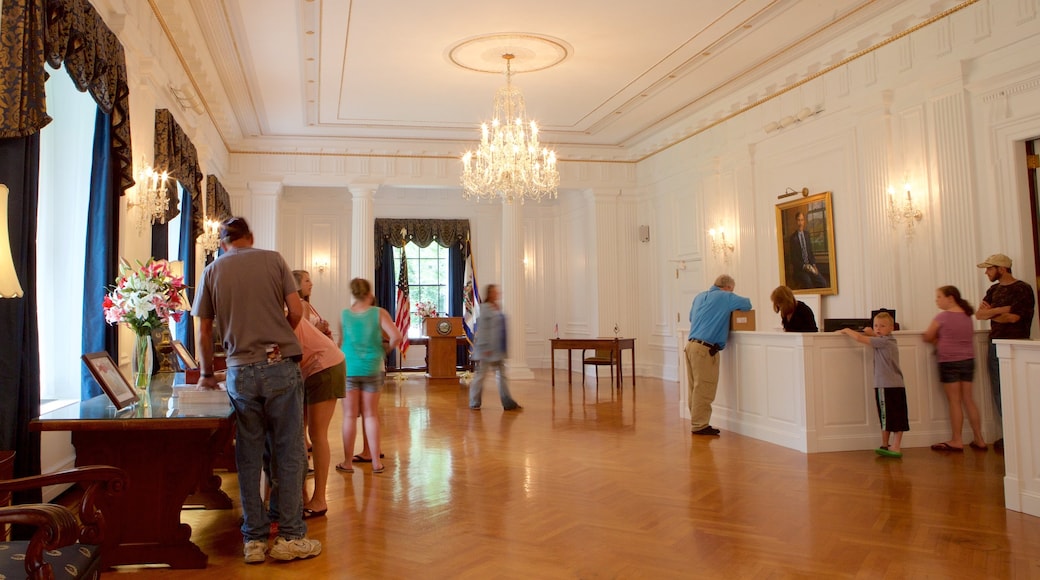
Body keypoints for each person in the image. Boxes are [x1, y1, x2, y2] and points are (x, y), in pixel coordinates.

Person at [192, 217, 321, 564]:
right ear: (251, 237)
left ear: (222, 243)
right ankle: (291, 536)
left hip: (239, 371)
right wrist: (281, 332)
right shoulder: (274, 259)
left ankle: (254, 538)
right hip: (280, 365)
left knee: (248, 455)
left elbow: (203, 330)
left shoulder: (212, 271)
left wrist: (206, 373)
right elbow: (297, 311)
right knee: (290, 450)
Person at [291, 271, 346, 517]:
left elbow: (291, 350)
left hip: (325, 366)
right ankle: (297, 492)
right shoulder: (287, 308)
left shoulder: (291, 309)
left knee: (317, 433)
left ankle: (319, 499)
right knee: (299, 431)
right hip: (311, 368)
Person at [337, 278, 401, 475]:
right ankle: (375, 463)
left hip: (349, 369)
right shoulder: (378, 313)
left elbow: (340, 343)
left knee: (349, 416)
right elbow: (396, 336)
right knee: (371, 415)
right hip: (372, 367)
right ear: (369, 294)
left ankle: (348, 462)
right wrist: (385, 350)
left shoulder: (344, 315)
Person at [975, 253, 1034, 448]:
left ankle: (1023, 434)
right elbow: (980, 314)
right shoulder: (993, 290)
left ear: (1001, 269)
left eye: (990, 268)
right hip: (995, 343)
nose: (986, 272)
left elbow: (1014, 318)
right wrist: (1001, 310)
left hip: (1018, 344)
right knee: (999, 390)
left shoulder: (1022, 289)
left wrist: (993, 313)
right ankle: (1009, 433)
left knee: (1019, 390)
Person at [685, 274, 752, 436]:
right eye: (732, 289)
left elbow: (690, 317)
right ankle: (700, 425)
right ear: (728, 287)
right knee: (704, 387)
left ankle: (696, 421)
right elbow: (747, 304)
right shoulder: (726, 296)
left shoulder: (699, 296)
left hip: (690, 346)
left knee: (694, 387)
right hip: (705, 349)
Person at [923, 285, 985, 452]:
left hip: (949, 362)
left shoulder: (942, 317)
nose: (937, 300)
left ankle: (957, 440)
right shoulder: (967, 315)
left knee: (954, 401)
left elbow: (928, 336)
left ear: (950, 298)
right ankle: (979, 438)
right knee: (968, 399)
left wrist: (937, 341)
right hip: (968, 360)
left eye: (939, 297)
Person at [839, 311, 909, 458]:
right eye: (876, 325)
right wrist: (873, 334)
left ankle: (885, 444)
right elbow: (876, 338)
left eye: (882, 326)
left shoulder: (882, 342)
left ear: (891, 328)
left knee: (885, 416)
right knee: (898, 416)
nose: (878, 328)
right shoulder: (890, 341)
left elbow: (859, 338)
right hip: (898, 385)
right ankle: (895, 445)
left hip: (885, 385)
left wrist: (846, 330)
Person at [469, 284, 522, 411]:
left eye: (497, 292)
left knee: (502, 376)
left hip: (498, 349)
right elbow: (483, 330)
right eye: (494, 292)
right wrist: (486, 347)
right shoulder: (484, 308)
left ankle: (508, 402)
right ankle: (474, 402)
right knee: (481, 376)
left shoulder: (497, 308)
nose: (497, 294)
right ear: (489, 293)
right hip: (486, 349)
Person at [785, 211, 828, 289]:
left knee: (823, 282)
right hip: (800, 270)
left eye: (802, 220)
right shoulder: (792, 238)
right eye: (798, 220)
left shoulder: (807, 234)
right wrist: (804, 266)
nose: (800, 223)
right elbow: (793, 259)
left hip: (811, 267)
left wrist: (814, 265)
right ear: (796, 221)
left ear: (804, 221)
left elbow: (810, 252)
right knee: (808, 283)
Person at [293, 269, 333, 339]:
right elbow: (303, 335)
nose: (311, 284)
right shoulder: (303, 304)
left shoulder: (304, 304)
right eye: (307, 281)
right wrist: (319, 329)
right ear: (297, 285)